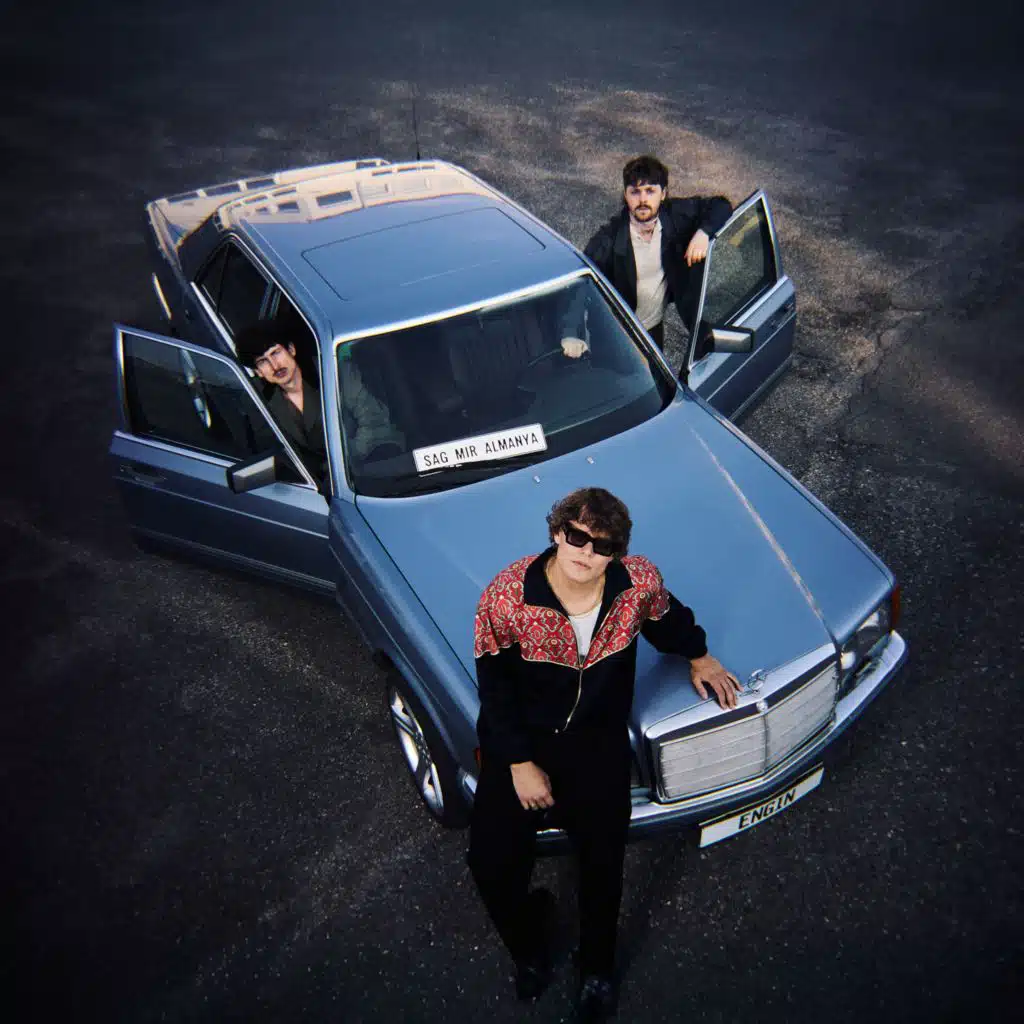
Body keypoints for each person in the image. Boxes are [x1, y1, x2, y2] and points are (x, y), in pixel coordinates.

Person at [468, 487, 740, 1021]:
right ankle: (528, 949)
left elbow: (668, 619)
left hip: (597, 746)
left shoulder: (636, 586)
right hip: (523, 744)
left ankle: (596, 970)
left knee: (602, 866)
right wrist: (519, 763)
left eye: (603, 546)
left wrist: (701, 656)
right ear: (557, 532)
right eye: (577, 537)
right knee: (490, 864)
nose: (586, 552)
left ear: (617, 553)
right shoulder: (507, 597)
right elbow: (494, 687)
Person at [564, 155, 732, 356]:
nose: (643, 200)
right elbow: (580, 282)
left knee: (656, 372)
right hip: (617, 331)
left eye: (650, 191)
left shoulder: (674, 215)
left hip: (653, 328)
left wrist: (703, 233)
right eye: (635, 192)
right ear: (625, 195)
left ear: (663, 194)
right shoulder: (608, 239)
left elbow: (721, 205)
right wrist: (571, 334)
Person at [235, 321, 329, 484]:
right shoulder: (259, 401)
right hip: (310, 486)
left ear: (291, 349)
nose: (275, 365)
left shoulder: (330, 371)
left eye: (276, 353)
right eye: (263, 361)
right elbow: (269, 451)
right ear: (258, 372)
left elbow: (370, 424)